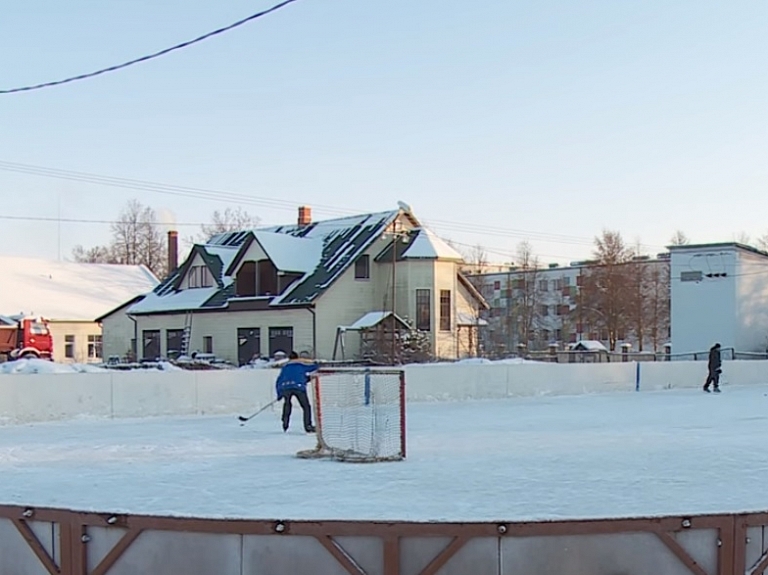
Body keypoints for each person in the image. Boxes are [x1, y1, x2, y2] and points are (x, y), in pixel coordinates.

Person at [275, 351, 318, 432]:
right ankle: (308, 426)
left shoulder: (285, 368)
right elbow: (314, 367)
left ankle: (285, 423)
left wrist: (279, 393)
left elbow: (279, 380)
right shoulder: (301, 366)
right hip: (298, 387)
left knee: (287, 404)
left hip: (286, 387)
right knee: (306, 407)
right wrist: (315, 363)